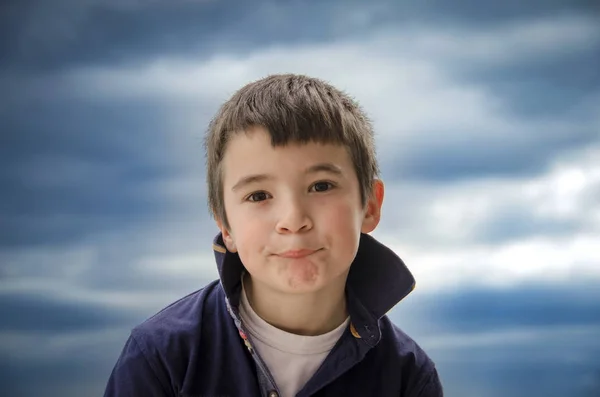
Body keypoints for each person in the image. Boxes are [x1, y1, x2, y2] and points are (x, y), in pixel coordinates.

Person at [103, 74, 443, 397]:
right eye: (258, 195)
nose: (293, 220)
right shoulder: (160, 357)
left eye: (321, 186)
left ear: (369, 206)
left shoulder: (408, 376)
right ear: (225, 225)